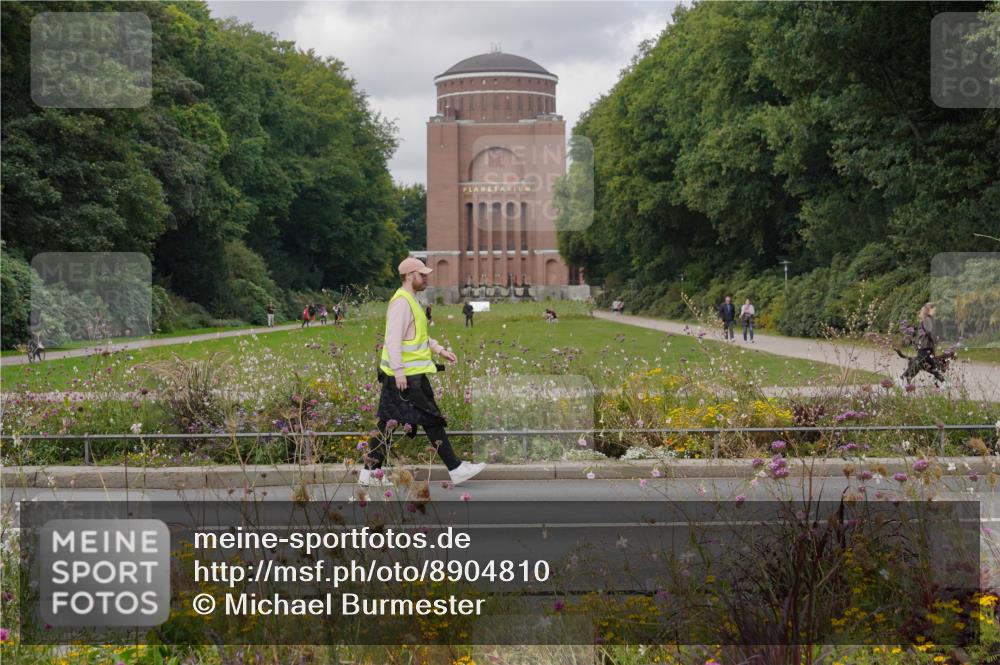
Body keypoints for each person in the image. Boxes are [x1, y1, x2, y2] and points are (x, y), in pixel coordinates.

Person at [361, 257, 487, 488]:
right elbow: (392, 339)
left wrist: (439, 350)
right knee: (426, 419)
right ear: (409, 276)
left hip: (409, 375)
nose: (426, 278)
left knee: (391, 422)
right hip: (404, 377)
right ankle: (456, 468)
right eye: (422, 274)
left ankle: (370, 473)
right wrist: (399, 371)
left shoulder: (411, 300)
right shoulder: (402, 302)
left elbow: (417, 336)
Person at [900, 302, 947, 387]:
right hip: (924, 347)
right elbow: (929, 332)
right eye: (934, 309)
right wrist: (936, 340)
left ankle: (944, 382)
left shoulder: (928, 319)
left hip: (926, 346)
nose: (935, 311)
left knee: (930, 365)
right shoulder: (927, 319)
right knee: (924, 364)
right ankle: (903, 377)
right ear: (929, 310)